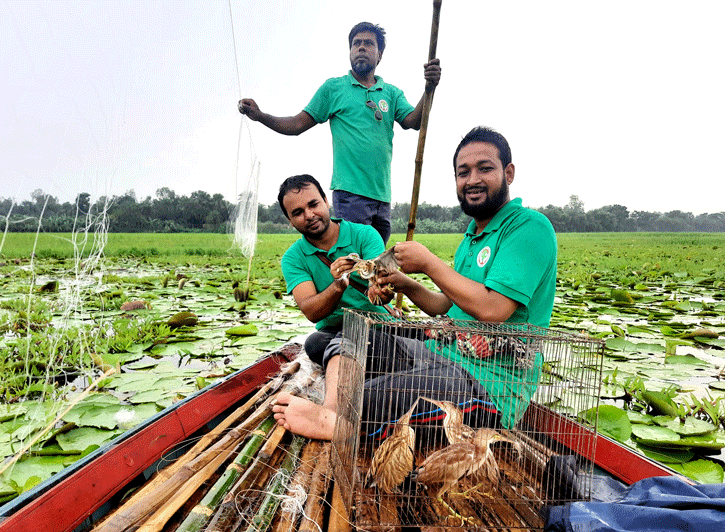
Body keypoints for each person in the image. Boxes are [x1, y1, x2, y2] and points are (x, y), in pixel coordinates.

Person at [273, 126, 558, 440]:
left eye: (484, 169)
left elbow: (493, 309)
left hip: (489, 384)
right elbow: (444, 305)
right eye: (463, 172)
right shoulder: (472, 237)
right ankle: (334, 411)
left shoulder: (529, 226)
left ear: (509, 173)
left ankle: (333, 423)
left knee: (364, 399)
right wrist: (404, 282)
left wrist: (429, 263)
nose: (472, 179)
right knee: (349, 336)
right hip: (443, 354)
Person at [239, 22, 442, 244]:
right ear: (350, 51)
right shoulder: (334, 88)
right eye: (356, 44)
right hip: (350, 195)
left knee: (373, 263)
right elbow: (296, 125)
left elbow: (414, 122)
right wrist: (260, 116)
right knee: (352, 259)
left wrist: (429, 88)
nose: (361, 48)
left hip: (382, 196)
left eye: (368, 43)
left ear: (380, 54)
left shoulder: (391, 93)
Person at [274, 174, 396, 438]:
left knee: (348, 340)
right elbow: (311, 310)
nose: (309, 214)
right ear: (290, 220)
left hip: (377, 328)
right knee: (315, 342)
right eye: (298, 212)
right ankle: (351, 383)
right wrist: (338, 285)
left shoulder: (365, 234)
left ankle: (330, 414)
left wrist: (370, 280)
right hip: (333, 332)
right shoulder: (293, 258)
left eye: (313, 204)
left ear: (326, 201)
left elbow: (383, 293)